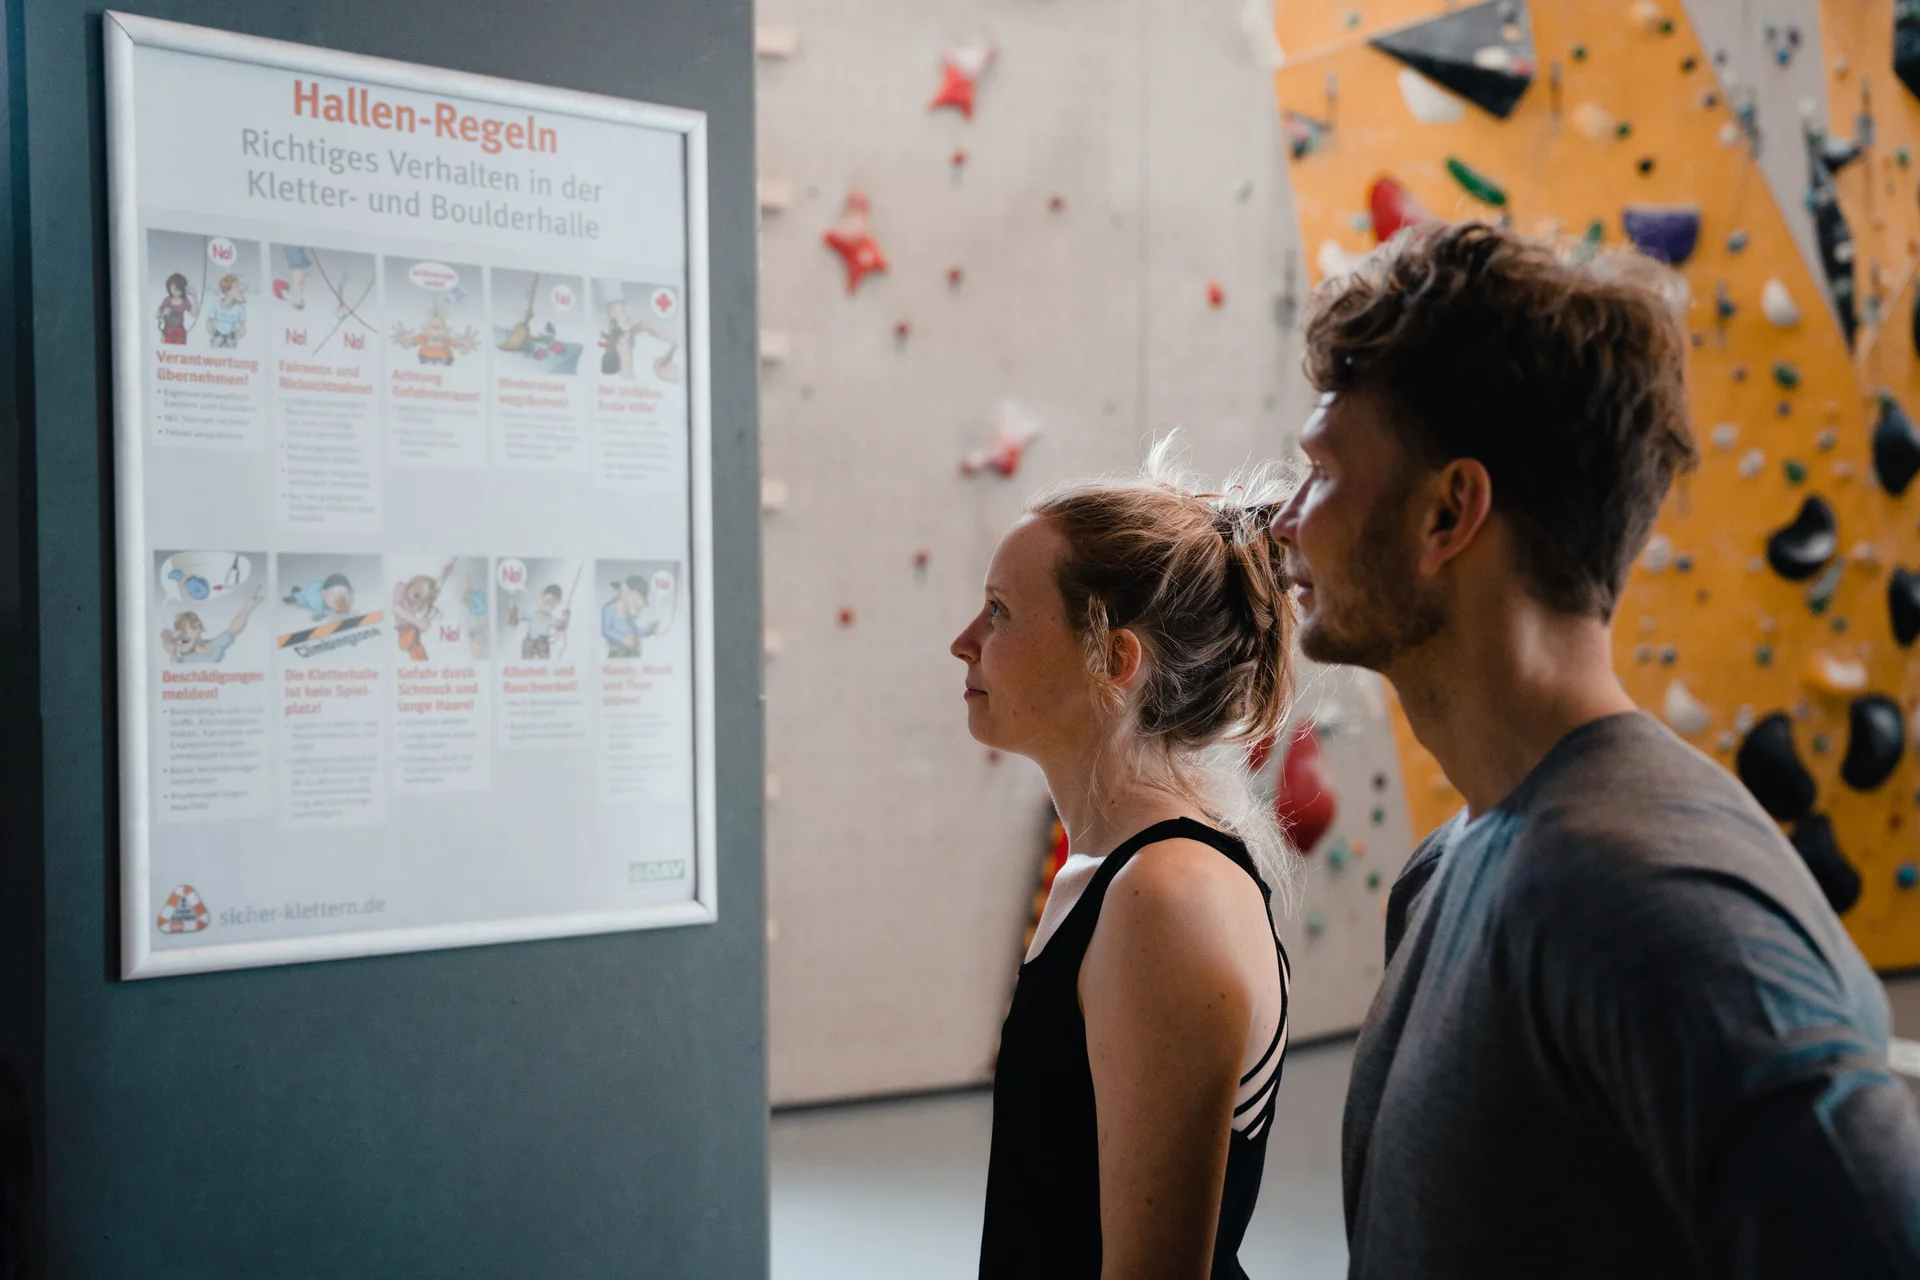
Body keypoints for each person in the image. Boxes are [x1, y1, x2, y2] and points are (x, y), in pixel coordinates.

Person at [1267, 220, 1920, 1278]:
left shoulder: (1649, 898)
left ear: (1449, 512)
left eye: (1322, 472)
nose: (1287, 522)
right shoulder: (1451, 867)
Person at [957, 440, 1296, 1280]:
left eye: (999, 611)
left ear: (1113, 658)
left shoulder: (1166, 897)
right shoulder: (1108, 876)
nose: (964, 642)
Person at [160, 588, 262, 664]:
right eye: (191, 623)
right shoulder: (186, 654)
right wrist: (173, 651)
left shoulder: (215, 645)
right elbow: (177, 666)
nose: (196, 623)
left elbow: (232, 631)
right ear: (184, 635)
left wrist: (248, 608)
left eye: (196, 620)